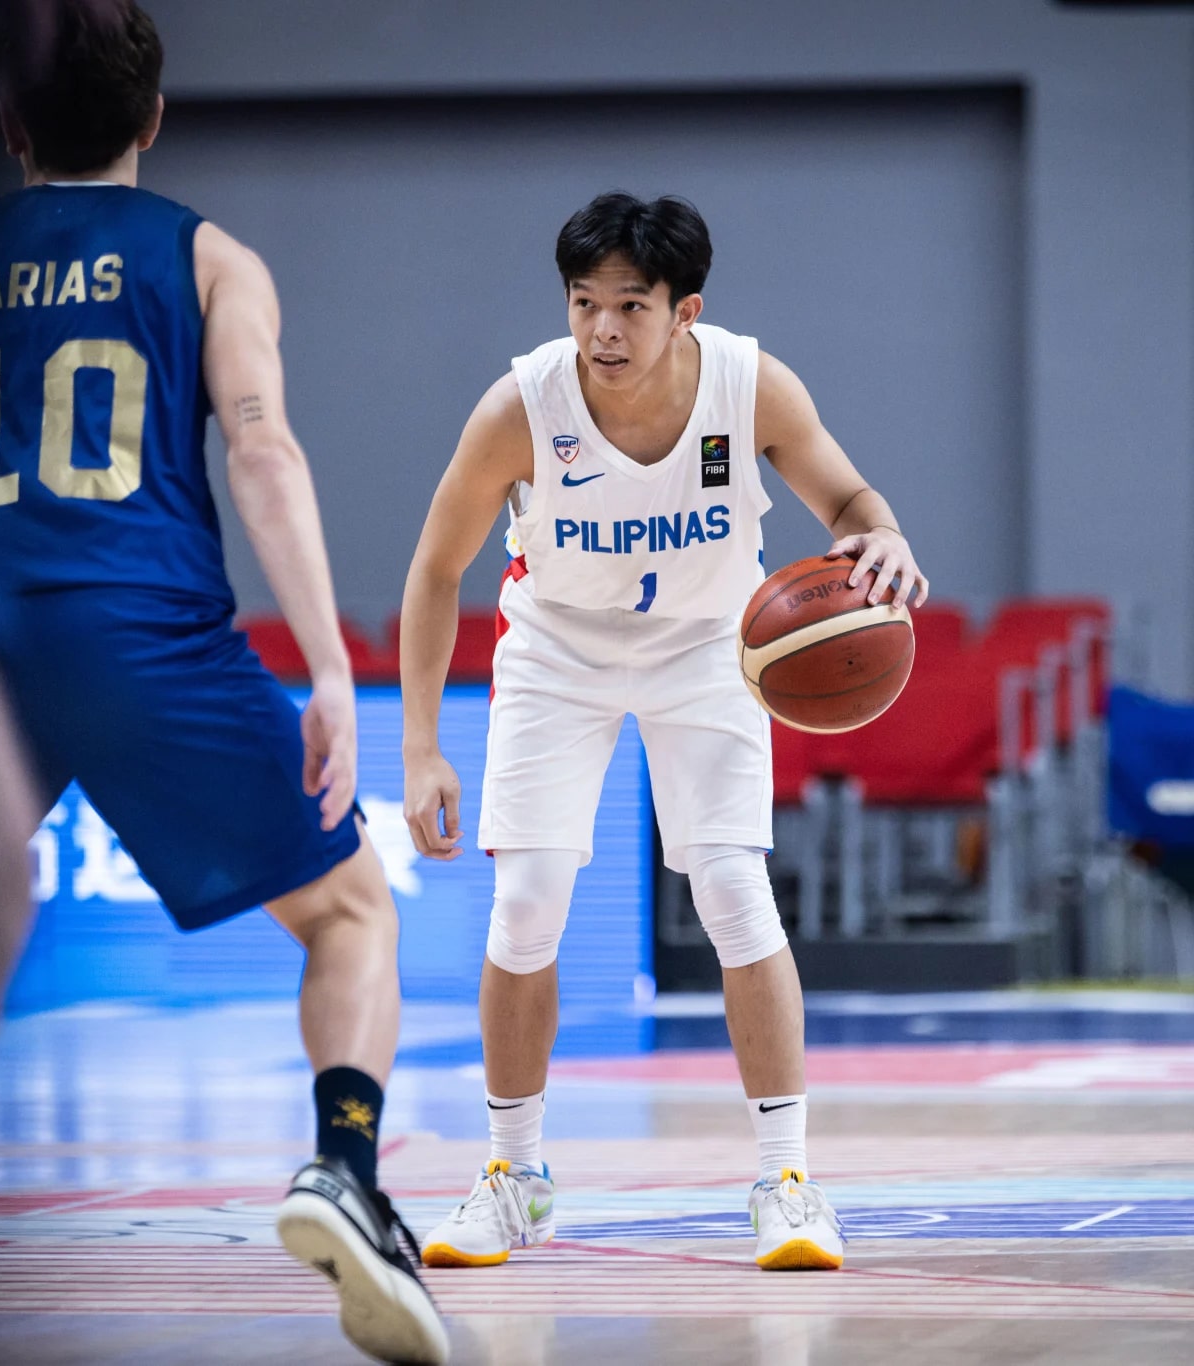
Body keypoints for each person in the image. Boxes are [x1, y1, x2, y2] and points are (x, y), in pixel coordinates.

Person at [0, 4, 446, 1360]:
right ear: (153, 118)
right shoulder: (210, 259)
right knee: (350, 910)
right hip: (145, 630)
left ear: (10, 122)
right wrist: (331, 662)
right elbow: (262, 454)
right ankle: (345, 1172)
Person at [399, 192, 931, 1272]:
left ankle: (786, 1181)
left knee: (733, 888)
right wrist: (417, 746)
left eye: (628, 306)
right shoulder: (520, 405)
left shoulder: (750, 385)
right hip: (557, 647)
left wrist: (884, 541)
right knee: (528, 898)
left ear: (683, 310)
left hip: (707, 644)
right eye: (583, 303)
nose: (600, 329)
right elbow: (433, 571)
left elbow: (850, 499)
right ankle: (513, 1175)